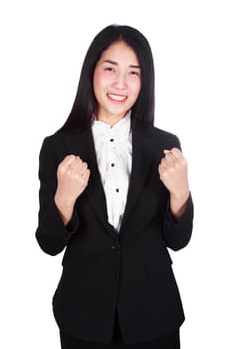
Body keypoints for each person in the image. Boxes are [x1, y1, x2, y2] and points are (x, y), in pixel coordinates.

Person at [35, 24, 193, 349]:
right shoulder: (57, 146)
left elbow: (178, 241)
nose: (120, 83)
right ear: (91, 71)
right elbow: (49, 243)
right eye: (110, 68)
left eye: (133, 72)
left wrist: (180, 193)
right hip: (83, 316)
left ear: (144, 81)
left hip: (154, 315)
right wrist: (64, 197)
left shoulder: (165, 145)